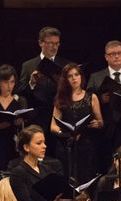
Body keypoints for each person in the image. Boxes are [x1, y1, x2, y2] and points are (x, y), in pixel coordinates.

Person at [17, 27, 71, 157]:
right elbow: (21, 91)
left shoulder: (65, 64)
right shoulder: (28, 65)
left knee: (58, 154)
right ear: (41, 43)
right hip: (37, 116)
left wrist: (62, 83)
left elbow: (72, 90)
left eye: (57, 43)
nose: (54, 47)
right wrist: (32, 82)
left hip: (59, 116)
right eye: (50, 43)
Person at [49, 63, 103, 184]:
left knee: (86, 178)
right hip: (67, 145)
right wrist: (64, 133)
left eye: (76, 75)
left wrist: (97, 124)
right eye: (70, 76)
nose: (74, 78)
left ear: (81, 77)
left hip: (86, 145)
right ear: (65, 79)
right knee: (68, 178)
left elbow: (101, 122)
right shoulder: (61, 98)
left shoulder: (91, 97)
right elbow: (53, 126)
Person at [86, 40, 121, 173]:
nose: (116, 56)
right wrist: (99, 99)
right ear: (106, 57)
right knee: (105, 164)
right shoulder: (96, 77)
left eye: (119, 53)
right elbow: (86, 100)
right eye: (112, 54)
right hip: (105, 129)